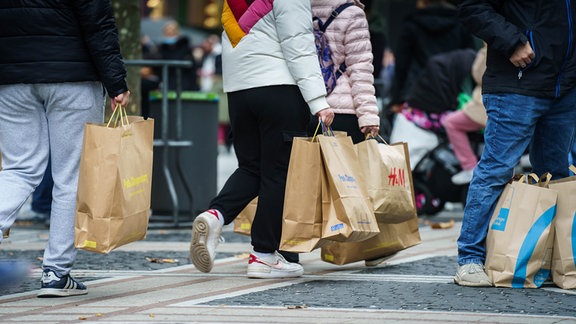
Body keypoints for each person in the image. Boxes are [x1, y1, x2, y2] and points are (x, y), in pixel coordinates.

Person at [189, 0, 334, 279]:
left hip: (239, 92)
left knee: (252, 168)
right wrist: (318, 99)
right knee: (276, 174)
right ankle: (264, 254)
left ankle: (215, 215)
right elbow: (298, 43)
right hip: (279, 88)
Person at [0, 1, 130, 297]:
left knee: (19, 168)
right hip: (72, 78)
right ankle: (56, 272)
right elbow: (98, 25)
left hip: (10, 79)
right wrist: (116, 82)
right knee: (71, 176)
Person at [454, 0, 576, 287]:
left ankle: (551, 261)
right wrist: (512, 42)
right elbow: (472, 6)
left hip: (565, 86)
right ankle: (469, 259)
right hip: (517, 83)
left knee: (557, 174)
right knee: (496, 170)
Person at [388, 0, 476, 116]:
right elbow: (470, 60)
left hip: (416, 94)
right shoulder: (461, 23)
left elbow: (401, 65)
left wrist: (396, 99)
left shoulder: (412, 24)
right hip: (453, 94)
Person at [310, 0, 380, 143]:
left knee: (308, 164)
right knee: (345, 165)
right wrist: (368, 115)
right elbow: (360, 68)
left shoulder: (299, 9)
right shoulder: (352, 13)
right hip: (342, 111)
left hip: (308, 108)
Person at [442, 44, 487, 185]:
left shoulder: (491, 48)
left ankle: (469, 166)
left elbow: (479, 74)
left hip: (484, 104)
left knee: (450, 122)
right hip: (493, 103)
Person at [157, 20, 199, 91]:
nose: (170, 32)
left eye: (172, 30)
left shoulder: (185, 47)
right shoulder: (160, 49)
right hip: (166, 83)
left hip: (184, 84)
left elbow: (192, 69)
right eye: (167, 30)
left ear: (177, 32)